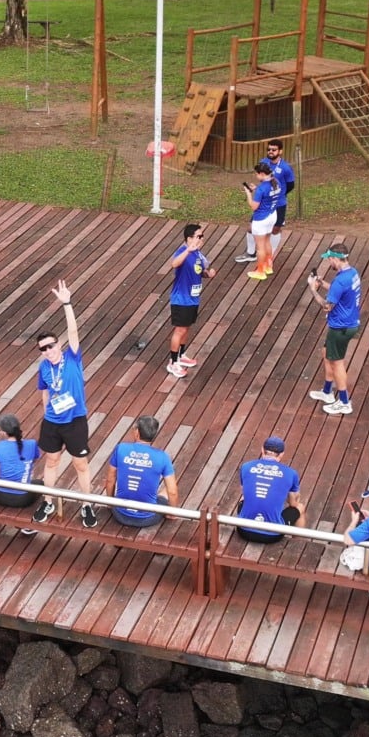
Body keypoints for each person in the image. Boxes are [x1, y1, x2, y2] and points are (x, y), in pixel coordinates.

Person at [33, 281, 97, 529]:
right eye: (43, 348)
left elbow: (73, 331)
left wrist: (67, 304)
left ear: (58, 345)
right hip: (53, 422)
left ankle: (86, 504)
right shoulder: (43, 367)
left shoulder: (72, 357)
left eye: (51, 345)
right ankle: (48, 501)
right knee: (51, 462)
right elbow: (45, 391)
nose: (48, 350)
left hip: (75, 420)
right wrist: (47, 413)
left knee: (80, 464)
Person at [306, 242, 361, 416]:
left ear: (334, 258)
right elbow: (339, 291)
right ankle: (328, 392)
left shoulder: (340, 280)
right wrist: (322, 283)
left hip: (340, 328)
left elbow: (327, 306)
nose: (328, 261)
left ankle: (345, 402)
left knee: (337, 363)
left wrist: (313, 290)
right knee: (325, 353)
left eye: (329, 259)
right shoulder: (352, 274)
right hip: (348, 323)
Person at [105, 415, 178, 528]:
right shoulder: (162, 457)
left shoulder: (121, 448)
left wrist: (110, 504)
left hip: (120, 513)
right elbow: (172, 491)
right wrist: (171, 514)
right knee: (165, 492)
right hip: (147, 518)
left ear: (137, 432)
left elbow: (110, 479)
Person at [166, 223, 215, 379]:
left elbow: (200, 272)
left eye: (202, 236)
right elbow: (174, 264)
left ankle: (181, 354)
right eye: (198, 236)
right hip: (181, 299)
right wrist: (188, 250)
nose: (202, 239)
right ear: (189, 238)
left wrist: (208, 274)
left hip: (193, 298)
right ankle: (173, 362)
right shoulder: (184, 252)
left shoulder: (198, 255)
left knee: (186, 328)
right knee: (179, 330)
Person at [238, 138, 297, 264]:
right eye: (269, 149)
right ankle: (250, 253)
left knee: (275, 229)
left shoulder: (285, 168)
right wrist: (259, 189)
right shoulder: (263, 162)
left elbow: (291, 185)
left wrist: (276, 195)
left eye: (274, 150)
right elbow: (264, 183)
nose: (270, 151)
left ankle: (271, 256)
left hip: (279, 204)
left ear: (280, 151)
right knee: (250, 228)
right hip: (263, 205)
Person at [236, 436, 304, 543]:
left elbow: (244, 493)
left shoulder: (246, 466)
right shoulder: (291, 473)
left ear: (262, 450)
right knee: (300, 507)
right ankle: (297, 543)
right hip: (272, 535)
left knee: (244, 498)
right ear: (281, 454)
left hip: (243, 530)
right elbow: (293, 503)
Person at [0, 414, 42, 532]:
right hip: (23, 498)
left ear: (3, 432)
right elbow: (35, 457)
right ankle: (31, 521)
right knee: (39, 483)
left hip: (0, 496)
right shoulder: (32, 444)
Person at [241, 163, 278, 282]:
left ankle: (260, 271)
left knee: (260, 247)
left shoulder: (262, 188)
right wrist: (257, 189)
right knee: (267, 241)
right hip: (272, 215)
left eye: (257, 174)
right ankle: (268, 266)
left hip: (261, 219)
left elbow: (253, 206)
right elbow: (268, 195)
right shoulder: (276, 182)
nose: (256, 175)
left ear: (262, 174)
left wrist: (249, 194)